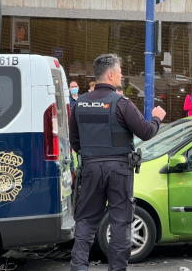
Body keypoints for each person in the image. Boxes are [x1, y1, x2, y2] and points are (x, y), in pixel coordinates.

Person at [69, 53, 166, 271]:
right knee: (120, 221)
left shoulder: (79, 104)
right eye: (120, 72)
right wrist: (157, 116)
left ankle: (78, 268)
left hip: (91, 168)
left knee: (85, 222)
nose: (121, 76)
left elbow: (75, 141)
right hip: (119, 171)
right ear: (110, 74)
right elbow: (146, 131)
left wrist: (93, 156)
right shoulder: (122, 104)